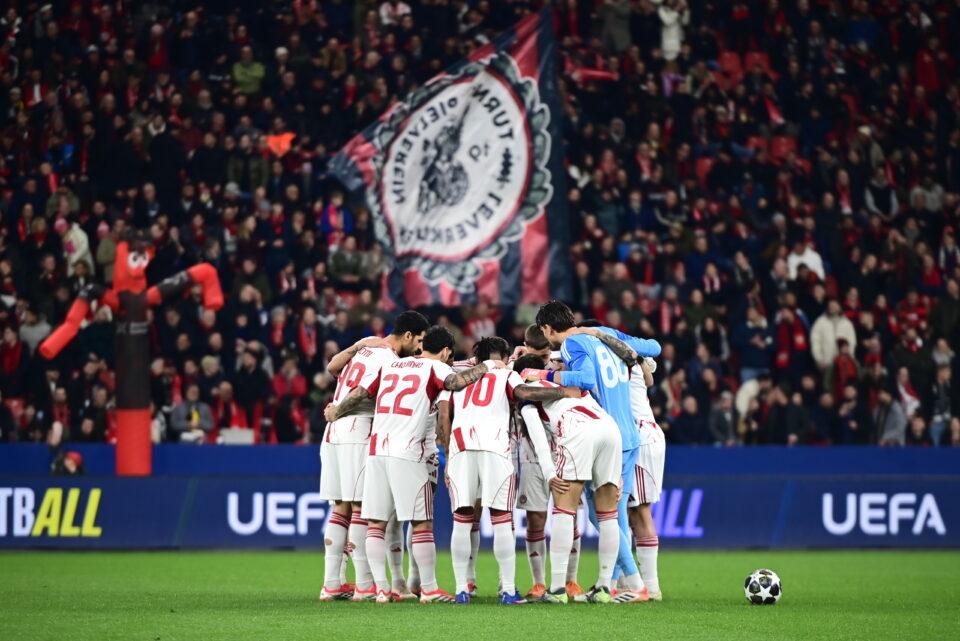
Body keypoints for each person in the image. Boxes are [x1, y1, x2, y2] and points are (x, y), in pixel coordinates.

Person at [325, 325, 495, 604]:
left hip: (376, 450)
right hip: (408, 452)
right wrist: (488, 366)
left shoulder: (393, 364)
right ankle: (428, 588)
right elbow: (455, 383)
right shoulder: (436, 367)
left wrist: (337, 410)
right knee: (421, 523)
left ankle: (379, 589)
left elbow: (361, 392)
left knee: (376, 523)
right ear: (445, 352)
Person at [527, 301, 660, 603]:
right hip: (628, 433)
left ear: (547, 328)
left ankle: (635, 584)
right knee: (613, 514)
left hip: (606, 431)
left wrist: (542, 375)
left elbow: (586, 379)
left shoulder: (572, 343)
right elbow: (654, 347)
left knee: (606, 516)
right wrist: (604, 336)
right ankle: (610, 585)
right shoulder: (603, 334)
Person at [318, 310, 430, 602]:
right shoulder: (389, 360)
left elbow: (332, 366)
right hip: (357, 430)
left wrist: (357, 345)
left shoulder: (366, 348)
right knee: (359, 508)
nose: (419, 348)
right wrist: (338, 410)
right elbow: (361, 392)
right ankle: (365, 585)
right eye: (419, 341)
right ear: (407, 335)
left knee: (340, 508)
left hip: (332, 435)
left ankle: (331, 583)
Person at [513, 353, 622, 604]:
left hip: (575, 429)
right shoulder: (569, 383)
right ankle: (604, 588)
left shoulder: (529, 396)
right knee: (608, 514)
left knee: (564, 509)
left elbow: (539, 440)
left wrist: (550, 474)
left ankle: (557, 590)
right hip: (609, 429)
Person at [514, 325, 584, 601]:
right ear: (527, 348)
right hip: (531, 456)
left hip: (565, 452)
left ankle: (571, 580)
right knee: (535, 520)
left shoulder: (561, 366)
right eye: (539, 355)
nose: (544, 360)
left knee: (569, 516)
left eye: (547, 355)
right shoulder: (516, 368)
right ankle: (538, 583)